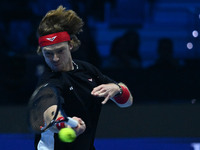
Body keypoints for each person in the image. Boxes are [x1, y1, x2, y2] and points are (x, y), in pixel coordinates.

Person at [33, 5, 133, 150]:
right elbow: (51, 113)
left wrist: (116, 89)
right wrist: (65, 123)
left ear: (71, 45)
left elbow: (127, 102)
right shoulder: (48, 81)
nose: (54, 58)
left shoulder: (88, 70)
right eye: (48, 53)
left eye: (60, 51)